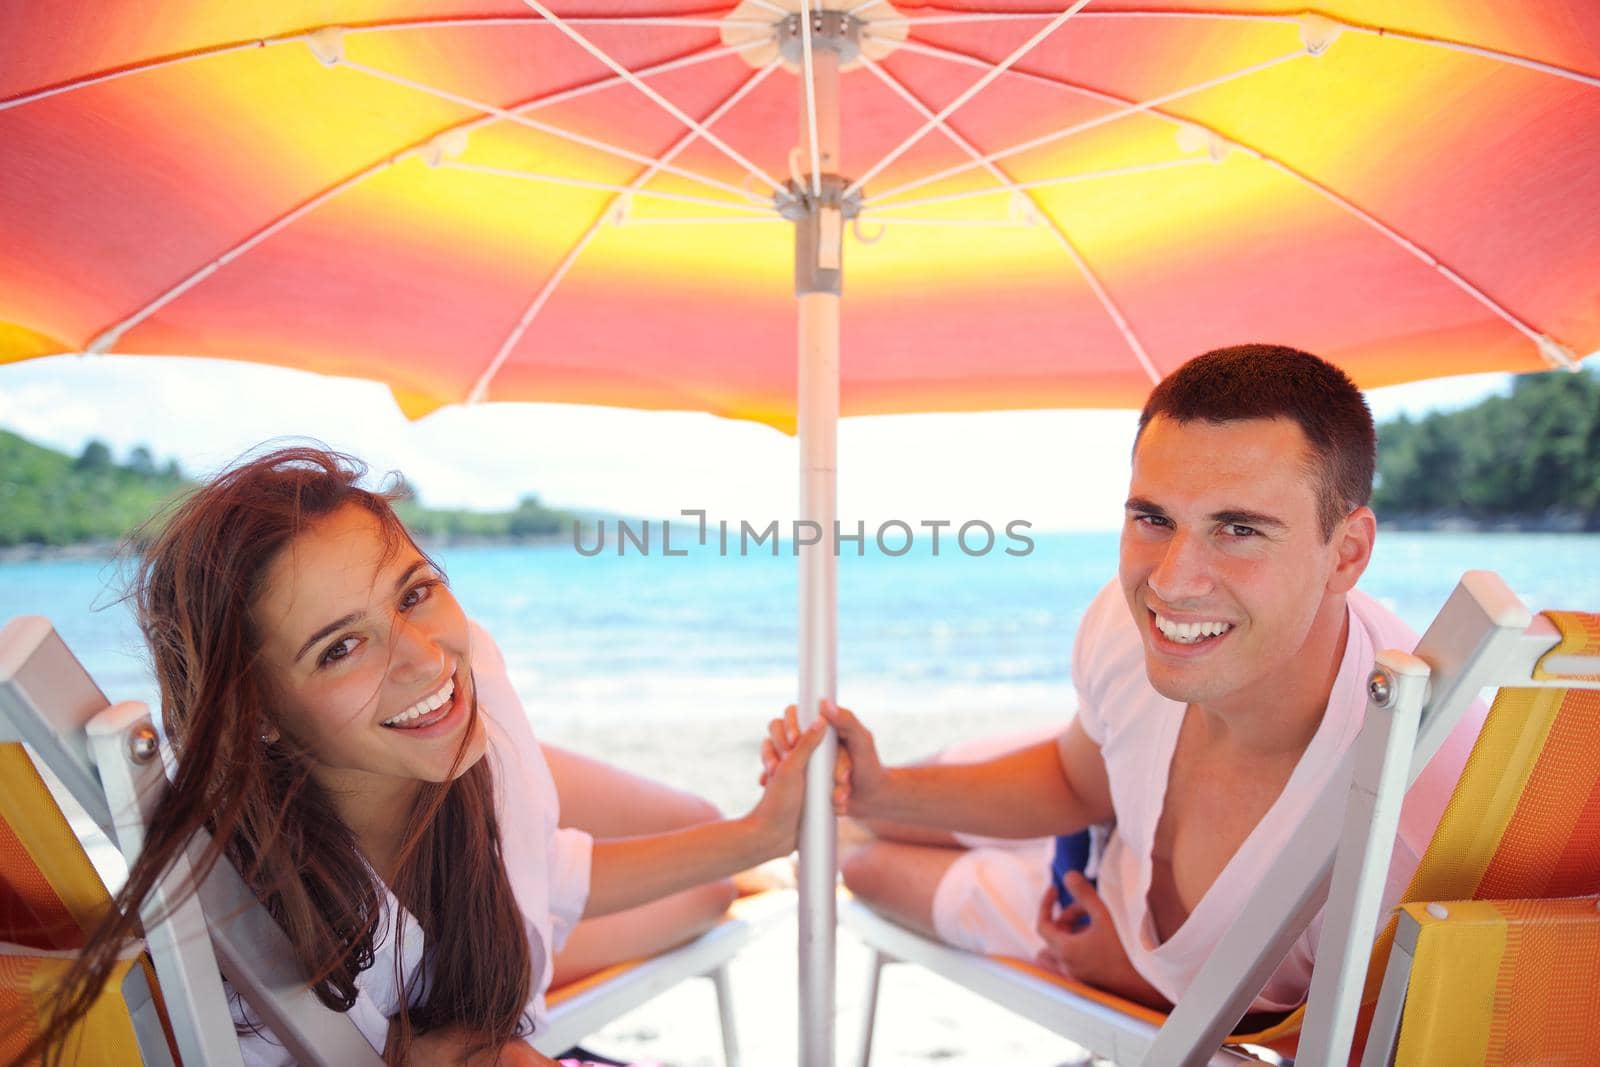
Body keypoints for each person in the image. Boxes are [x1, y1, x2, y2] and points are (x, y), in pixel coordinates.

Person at [32, 446, 824, 1066]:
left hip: (448, 779)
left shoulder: (469, 680)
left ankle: (743, 861)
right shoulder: (262, 956)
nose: (420, 653)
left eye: (414, 592)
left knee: (711, 872)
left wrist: (761, 831)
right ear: (259, 713)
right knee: (706, 887)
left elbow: (536, 865)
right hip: (426, 813)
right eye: (340, 647)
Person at [764, 344, 1484, 1015]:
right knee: (847, 807)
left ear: (1347, 554)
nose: (1172, 582)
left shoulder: (1405, 821)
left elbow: (1344, 1042)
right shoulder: (1130, 622)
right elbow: (1079, 782)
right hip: (1102, 853)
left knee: (859, 864)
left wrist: (1132, 977)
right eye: (1153, 517)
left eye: (1239, 529)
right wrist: (881, 788)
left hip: (1105, 934)